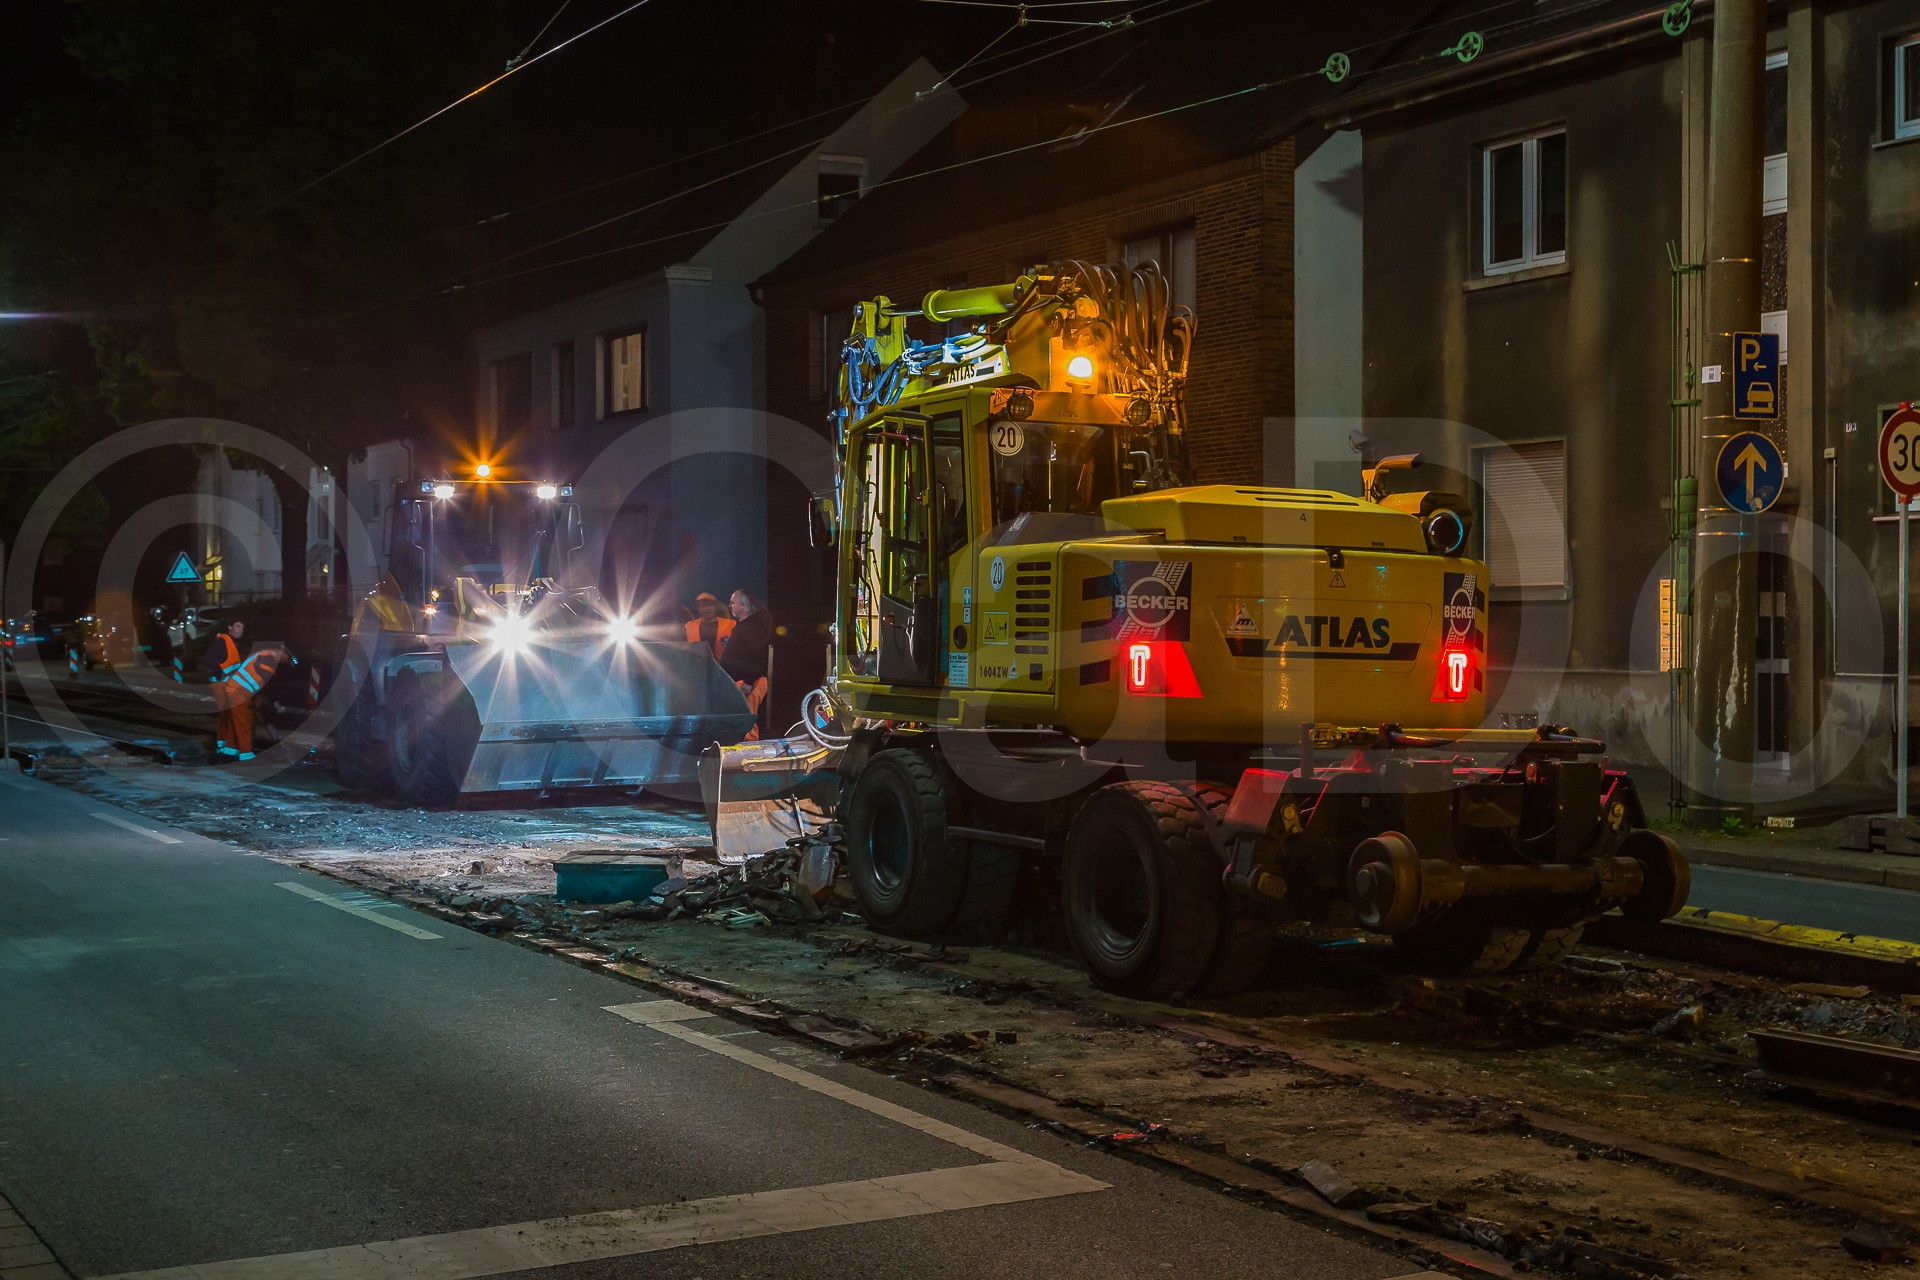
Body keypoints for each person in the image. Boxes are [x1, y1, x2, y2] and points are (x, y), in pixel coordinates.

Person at [721, 590, 773, 739]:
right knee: (742, 719)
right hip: (741, 681)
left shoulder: (755, 626)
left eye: (733, 602)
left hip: (749, 682)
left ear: (744, 605)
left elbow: (758, 654)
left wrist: (748, 682)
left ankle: (749, 749)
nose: (729, 606)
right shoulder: (745, 625)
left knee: (746, 721)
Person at [206, 618, 251, 759]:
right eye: (237, 626)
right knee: (228, 715)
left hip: (226, 683)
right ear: (229, 627)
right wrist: (220, 674)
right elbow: (209, 658)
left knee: (226, 715)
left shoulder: (231, 641)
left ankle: (224, 746)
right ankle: (226, 746)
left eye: (242, 627)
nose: (240, 630)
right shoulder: (223, 640)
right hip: (221, 683)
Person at [683, 592, 733, 657]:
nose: (708, 608)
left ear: (715, 607)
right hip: (698, 662)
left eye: (711, 605)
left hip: (724, 663)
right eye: (704, 605)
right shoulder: (689, 627)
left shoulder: (731, 624)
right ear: (698, 608)